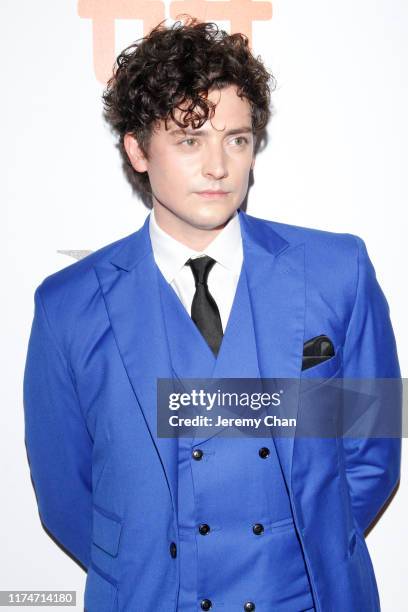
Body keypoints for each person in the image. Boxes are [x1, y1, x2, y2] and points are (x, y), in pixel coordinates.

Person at [23, 15, 401, 612]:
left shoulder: (337, 272)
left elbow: (372, 451)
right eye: (189, 139)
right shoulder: (68, 307)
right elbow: (68, 495)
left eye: (237, 138)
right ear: (138, 150)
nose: (220, 166)